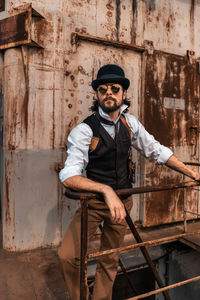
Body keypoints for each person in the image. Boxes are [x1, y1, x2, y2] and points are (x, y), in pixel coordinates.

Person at [58, 64, 200, 300]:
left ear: (124, 93)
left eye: (115, 88)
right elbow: (69, 176)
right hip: (94, 204)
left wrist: (192, 174)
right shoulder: (84, 130)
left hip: (123, 204)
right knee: (68, 255)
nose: (109, 93)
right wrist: (105, 190)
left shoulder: (130, 124)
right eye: (103, 89)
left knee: (110, 257)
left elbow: (157, 151)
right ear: (97, 95)